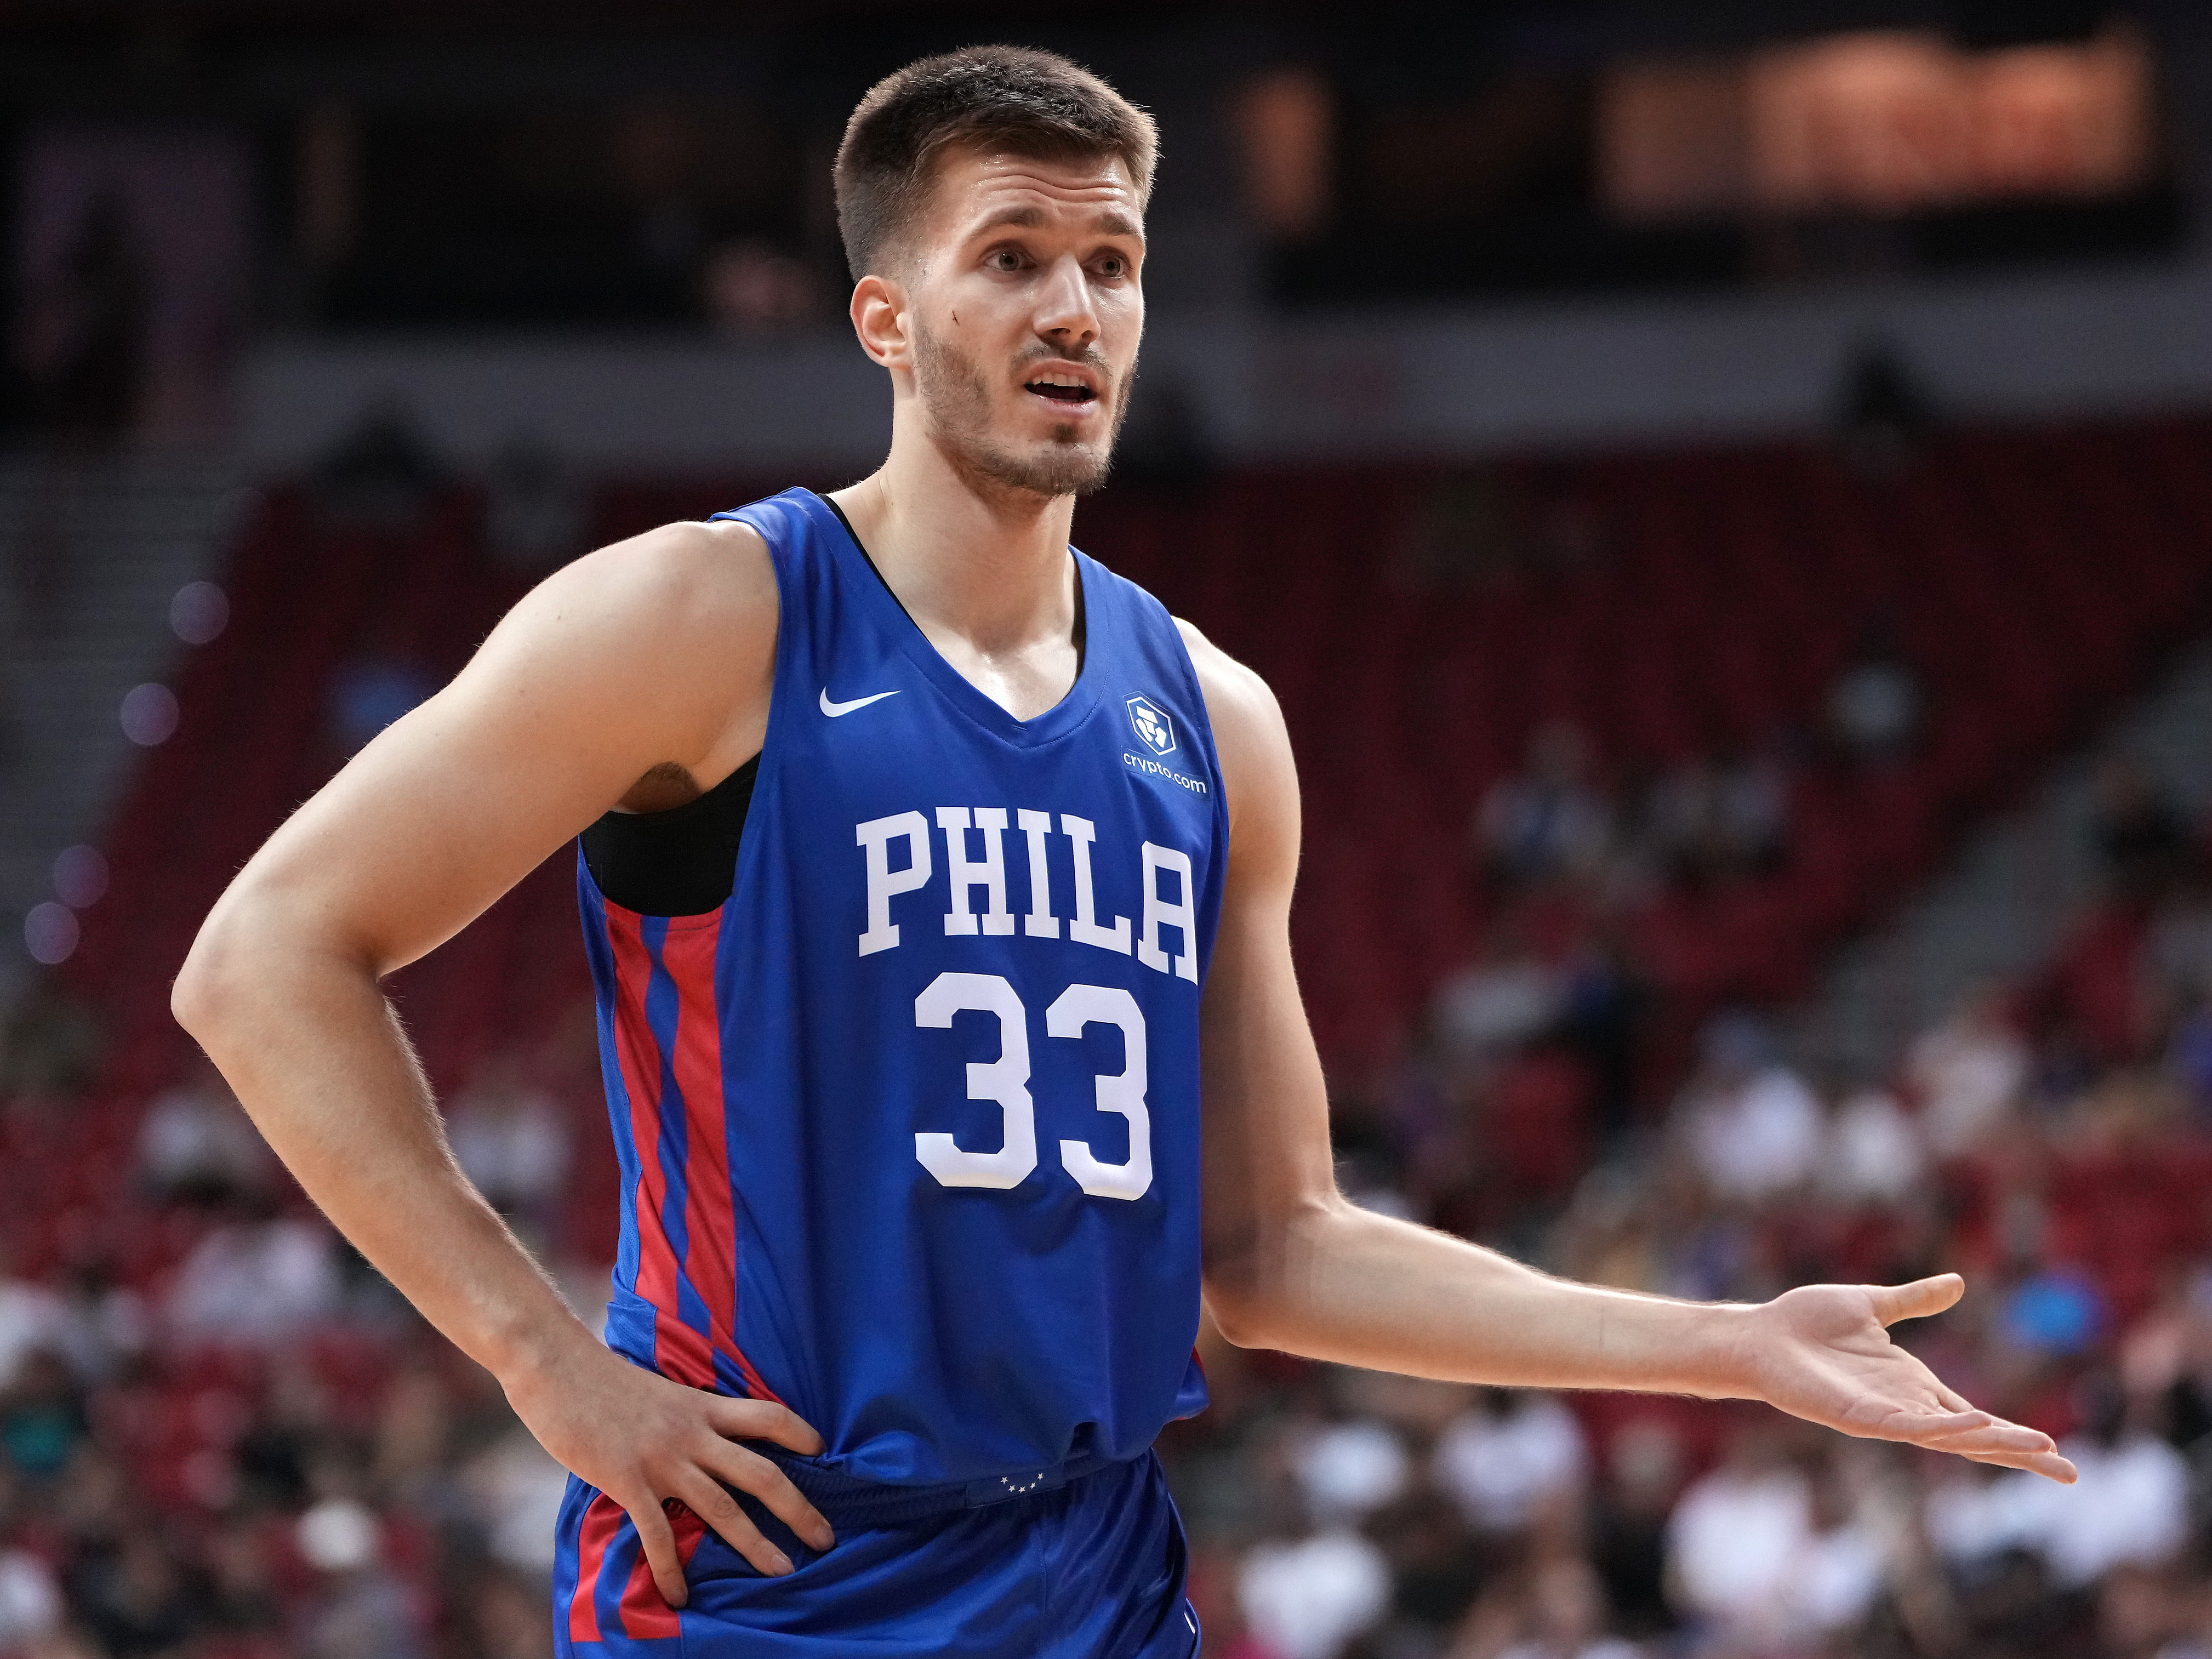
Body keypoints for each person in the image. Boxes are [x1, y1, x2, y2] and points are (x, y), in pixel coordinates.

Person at [172, 45, 2074, 1659]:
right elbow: (262, 954)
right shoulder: (705, 617)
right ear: (885, 317)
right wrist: (540, 1359)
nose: (1076, 308)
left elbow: (1270, 1244)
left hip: (1090, 1568)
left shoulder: (1217, 717)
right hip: (762, 1566)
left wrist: (1727, 1346)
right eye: (1012, 256)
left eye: (1112, 260)